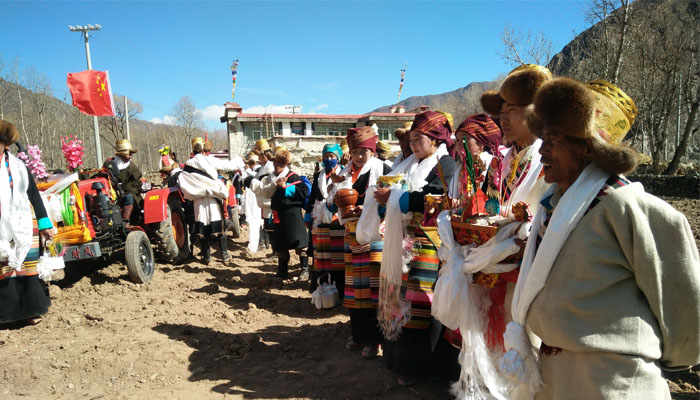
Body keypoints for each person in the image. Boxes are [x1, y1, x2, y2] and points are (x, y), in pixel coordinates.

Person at [502, 77, 700, 399]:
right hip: (554, 376)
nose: (543, 150)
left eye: (553, 138)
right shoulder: (551, 207)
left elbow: (678, 289)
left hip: (611, 381)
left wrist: (678, 357)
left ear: (587, 148)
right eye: (542, 137)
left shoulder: (626, 208)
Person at [373, 111, 458, 386]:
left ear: (435, 139)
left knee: (422, 305)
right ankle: (399, 361)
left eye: (418, 139)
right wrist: (389, 199)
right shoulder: (409, 164)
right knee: (399, 299)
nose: (412, 145)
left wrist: (397, 197)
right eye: (410, 140)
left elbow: (436, 198)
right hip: (404, 241)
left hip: (429, 245)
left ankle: (422, 367)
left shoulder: (446, 165)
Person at [332, 126, 390, 359]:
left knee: (373, 290)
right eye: (355, 151)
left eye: (364, 151)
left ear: (372, 150)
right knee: (355, 289)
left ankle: (375, 340)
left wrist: (365, 208)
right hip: (351, 234)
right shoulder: (344, 173)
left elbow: (390, 201)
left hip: (376, 235)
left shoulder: (383, 169)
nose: (358, 156)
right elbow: (332, 200)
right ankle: (359, 336)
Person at [0, 120, 54, 325]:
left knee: (26, 268)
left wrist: (44, 223)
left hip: (21, 224)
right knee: (2, 269)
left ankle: (31, 311)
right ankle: (4, 316)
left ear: (6, 144)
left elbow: (33, 194)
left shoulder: (18, 167)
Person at [184, 137, 244, 264]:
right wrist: (240, 159)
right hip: (213, 196)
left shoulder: (187, 164)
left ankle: (206, 257)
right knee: (219, 226)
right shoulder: (208, 160)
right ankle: (224, 254)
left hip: (197, 199)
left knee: (202, 226)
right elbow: (229, 165)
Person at [257, 149, 309, 278]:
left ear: (286, 164)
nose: (277, 165)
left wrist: (286, 187)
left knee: (300, 243)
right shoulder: (271, 177)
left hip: (293, 215)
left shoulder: (293, 176)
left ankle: (305, 269)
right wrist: (275, 185)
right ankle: (282, 271)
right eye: (276, 162)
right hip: (278, 214)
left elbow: (303, 192)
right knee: (280, 245)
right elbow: (266, 192)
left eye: (281, 163)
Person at [308, 144, 345, 292]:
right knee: (321, 252)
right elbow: (313, 195)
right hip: (319, 218)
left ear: (338, 158)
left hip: (338, 218)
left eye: (332, 156)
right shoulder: (319, 175)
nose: (329, 159)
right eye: (326, 156)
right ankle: (322, 283)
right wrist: (308, 214)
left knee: (338, 253)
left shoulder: (344, 173)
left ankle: (339, 286)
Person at [105, 139, 142, 226]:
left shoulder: (131, 167)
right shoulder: (109, 164)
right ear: (122, 154)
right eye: (129, 154)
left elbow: (136, 183)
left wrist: (122, 189)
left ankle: (125, 222)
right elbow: (103, 177)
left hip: (127, 192)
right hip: (111, 192)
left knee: (129, 197)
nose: (130, 157)